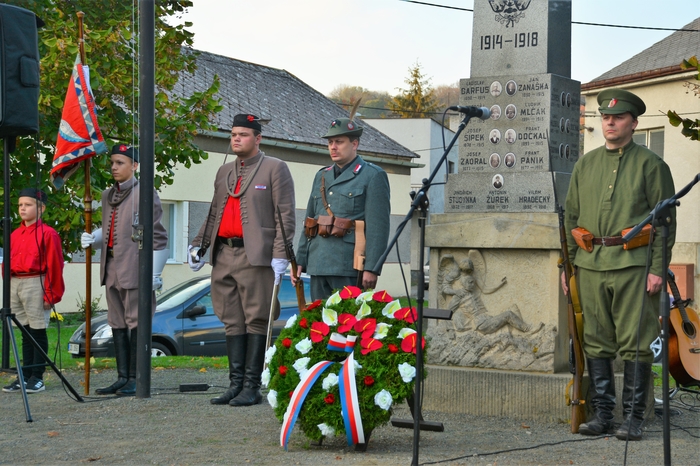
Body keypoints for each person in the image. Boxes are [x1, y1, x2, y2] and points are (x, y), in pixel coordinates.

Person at [562, 89, 676, 441]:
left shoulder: (651, 165)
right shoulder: (585, 164)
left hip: (633, 265)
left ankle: (633, 418)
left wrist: (657, 268)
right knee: (595, 340)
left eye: (618, 117)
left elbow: (665, 223)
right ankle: (603, 415)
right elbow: (572, 218)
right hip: (591, 263)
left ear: (633, 122)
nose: (610, 122)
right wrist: (570, 269)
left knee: (636, 341)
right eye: (605, 117)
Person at [188, 113, 295, 407]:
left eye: (243, 134)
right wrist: (199, 244)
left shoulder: (275, 168)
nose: (236, 138)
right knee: (231, 319)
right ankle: (235, 384)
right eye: (233, 134)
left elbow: (284, 215)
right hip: (224, 253)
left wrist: (280, 255)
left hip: (256, 256)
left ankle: (252, 386)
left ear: (257, 138)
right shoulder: (224, 172)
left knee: (257, 318)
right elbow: (214, 213)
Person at [80, 144, 169, 396]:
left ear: (134, 166)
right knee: (116, 322)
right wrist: (93, 238)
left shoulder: (145, 192)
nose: (114, 167)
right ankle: (122, 377)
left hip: (134, 268)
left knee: (136, 323)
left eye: (120, 163)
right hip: (110, 267)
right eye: (112, 163)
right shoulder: (108, 195)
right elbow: (110, 230)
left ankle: (136, 377)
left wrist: (155, 272)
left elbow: (158, 235)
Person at [294, 117, 390, 301]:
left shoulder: (372, 175)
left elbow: (378, 227)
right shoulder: (321, 175)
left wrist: (372, 267)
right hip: (318, 262)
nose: (333, 147)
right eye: (330, 142)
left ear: (354, 144)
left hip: (349, 265)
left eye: (339, 142)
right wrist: (301, 260)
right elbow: (310, 221)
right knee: (319, 323)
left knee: (348, 325)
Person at [2, 188, 64, 394]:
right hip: (15, 282)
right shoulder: (14, 233)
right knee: (25, 331)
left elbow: (55, 264)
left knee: (37, 331)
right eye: (20, 205)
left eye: (28, 205)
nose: (22, 209)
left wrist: (51, 293)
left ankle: (37, 376)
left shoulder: (48, 233)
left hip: (35, 282)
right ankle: (25, 375)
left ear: (41, 208)